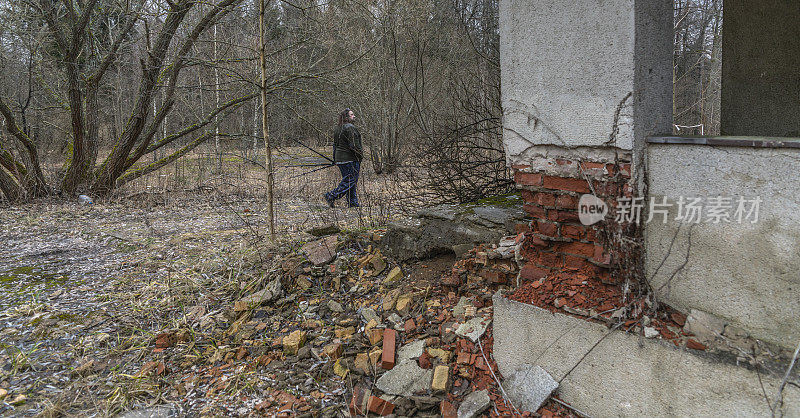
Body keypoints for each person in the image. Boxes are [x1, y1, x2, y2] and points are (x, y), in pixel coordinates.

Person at [324, 108, 363, 208]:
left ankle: (353, 203)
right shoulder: (350, 127)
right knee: (350, 181)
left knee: (350, 181)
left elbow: (335, 145)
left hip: (341, 159)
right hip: (350, 159)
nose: (354, 116)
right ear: (346, 117)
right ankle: (331, 195)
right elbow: (354, 145)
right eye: (352, 115)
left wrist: (335, 159)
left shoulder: (338, 128)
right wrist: (360, 156)